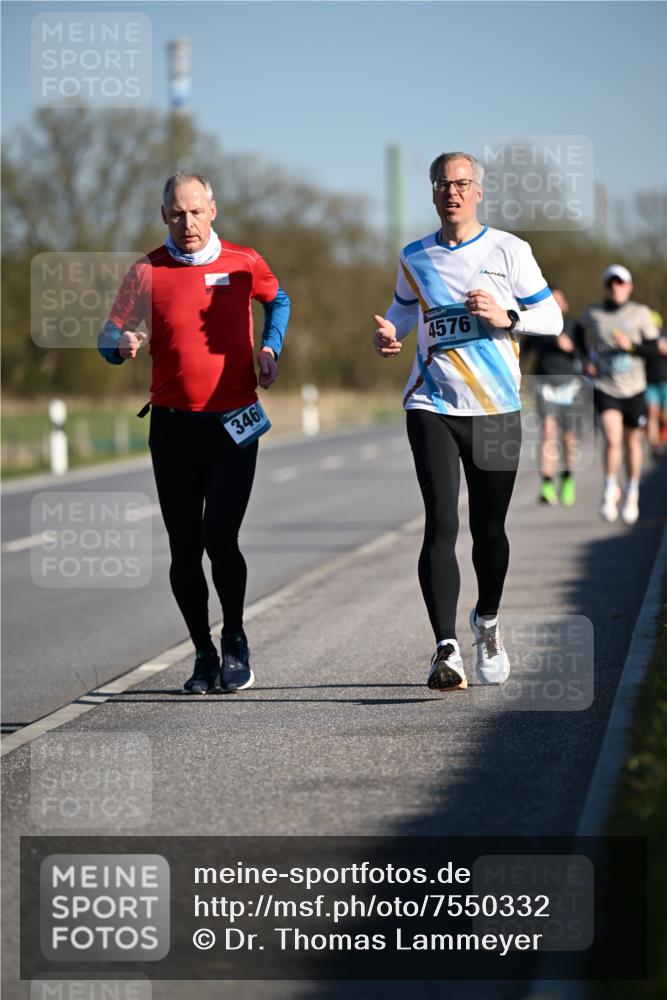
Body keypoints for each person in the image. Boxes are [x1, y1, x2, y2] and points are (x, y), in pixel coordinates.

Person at [373, 151, 562, 692]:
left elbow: (552, 316)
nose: (451, 192)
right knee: (441, 522)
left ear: (479, 191)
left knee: (489, 530)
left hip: (497, 409)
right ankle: (445, 647)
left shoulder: (509, 250)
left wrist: (509, 317)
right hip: (431, 403)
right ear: (432, 193)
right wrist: (390, 333)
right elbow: (405, 311)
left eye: (461, 183)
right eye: (442, 184)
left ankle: (488, 622)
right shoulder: (415, 255)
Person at [98, 171, 290, 694]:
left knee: (220, 537)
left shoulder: (244, 261)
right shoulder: (147, 270)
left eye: (196, 211)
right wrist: (121, 345)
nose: (188, 222)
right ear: (165, 216)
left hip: (234, 423)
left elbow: (280, 300)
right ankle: (202, 654)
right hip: (174, 426)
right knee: (184, 547)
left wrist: (270, 346)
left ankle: (234, 638)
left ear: (213, 210)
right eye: (177, 213)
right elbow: (107, 335)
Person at [575, 265, 664, 524]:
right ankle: (609, 488)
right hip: (606, 386)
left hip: (634, 388)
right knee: (612, 438)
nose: (615, 287)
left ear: (629, 286)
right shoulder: (594, 313)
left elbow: (655, 351)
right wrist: (585, 359)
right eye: (611, 283)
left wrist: (632, 347)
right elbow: (579, 331)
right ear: (606, 287)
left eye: (620, 283)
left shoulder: (641, 314)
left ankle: (632, 491)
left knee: (632, 443)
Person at [521, 287, 584, 507]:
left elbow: (587, 356)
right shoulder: (538, 325)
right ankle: (547, 484)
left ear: (565, 305)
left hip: (570, 386)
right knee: (547, 431)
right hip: (544, 383)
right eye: (552, 301)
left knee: (568, 436)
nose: (556, 305)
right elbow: (523, 353)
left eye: (559, 301)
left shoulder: (575, 326)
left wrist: (571, 348)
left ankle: (567, 478)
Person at [644, 310, 667, 459]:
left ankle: (662, 437)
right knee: (652, 413)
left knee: (664, 415)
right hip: (649, 383)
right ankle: (655, 445)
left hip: (665, 382)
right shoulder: (644, 342)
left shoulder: (664, 339)